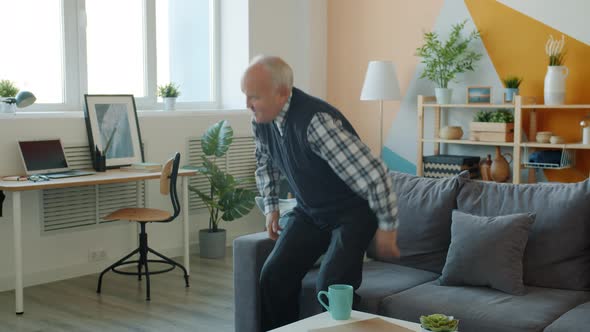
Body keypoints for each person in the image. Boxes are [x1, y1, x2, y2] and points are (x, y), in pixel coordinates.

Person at [242, 55, 400, 331]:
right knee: (274, 274)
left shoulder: (315, 122)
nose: (247, 104)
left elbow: (374, 174)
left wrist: (387, 227)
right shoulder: (261, 121)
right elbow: (265, 163)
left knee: (332, 285)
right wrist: (271, 208)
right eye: (246, 95)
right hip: (310, 210)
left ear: (281, 93)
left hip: (353, 213)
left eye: (253, 96)